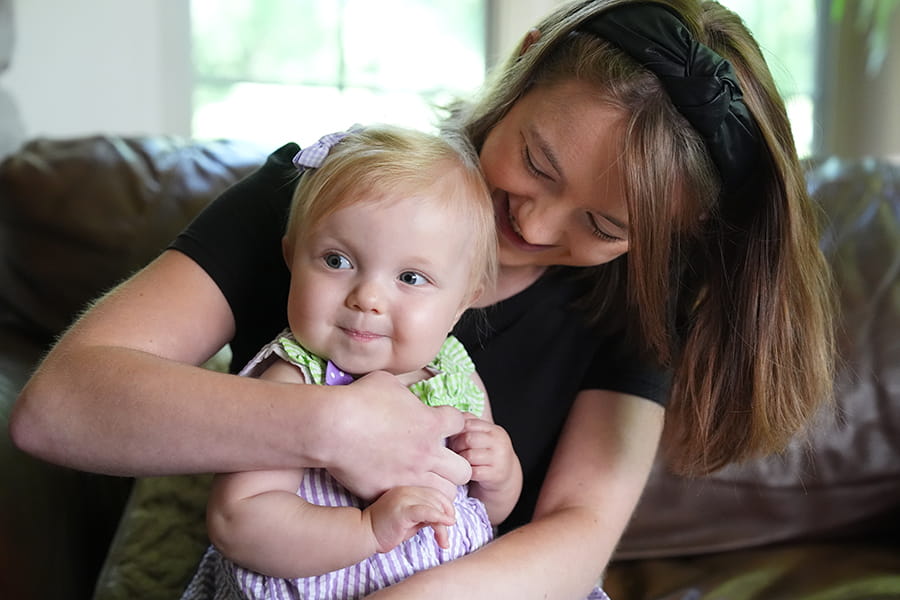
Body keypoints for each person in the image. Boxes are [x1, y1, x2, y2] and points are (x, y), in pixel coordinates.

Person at [10, 1, 834, 597]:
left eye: (604, 223)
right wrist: (332, 426)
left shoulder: (638, 300)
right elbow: (56, 408)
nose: (537, 223)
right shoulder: (327, 200)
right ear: (527, 59)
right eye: (538, 163)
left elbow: (576, 537)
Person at [179, 124, 528, 599]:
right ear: (292, 258)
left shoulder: (456, 379)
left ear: (462, 304)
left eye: (410, 276)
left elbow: (487, 512)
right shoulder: (295, 379)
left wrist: (499, 474)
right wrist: (368, 530)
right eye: (337, 261)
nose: (368, 298)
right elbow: (239, 521)